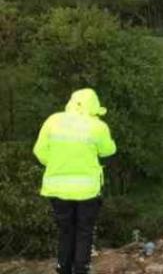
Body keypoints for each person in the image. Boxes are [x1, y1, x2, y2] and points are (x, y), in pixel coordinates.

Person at [33, 88, 116, 274]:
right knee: (84, 230)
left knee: (65, 230)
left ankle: (63, 267)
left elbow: (39, 151)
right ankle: (81, 268)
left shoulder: (53, 121)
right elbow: (109, 150)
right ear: (93, 107)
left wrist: (57, 163)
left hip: (57, 188)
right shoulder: (97, 126)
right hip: (87, 191)